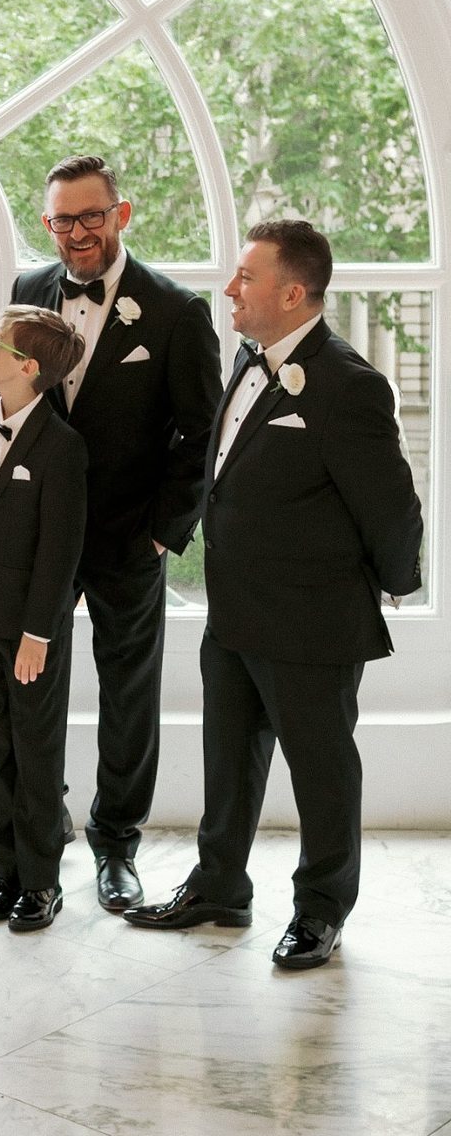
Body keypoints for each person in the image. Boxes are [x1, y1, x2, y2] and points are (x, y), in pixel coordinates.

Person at [125, 220, 423, 968]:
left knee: (322, 769)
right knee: (228, 758)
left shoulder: (348, 385)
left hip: (312, 619)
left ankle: (321, 909)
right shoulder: (249, 360)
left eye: (247, 278)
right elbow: (222, 469)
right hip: (232, 610)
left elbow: (392, 508)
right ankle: (220, 885)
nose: (231, 288)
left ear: (293, 292)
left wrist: (388, 588)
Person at [0, 155, 222, 913]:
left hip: (123, 536)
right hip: (30, 540)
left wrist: (165, 534)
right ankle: (29, 827)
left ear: (122, 214)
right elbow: (18, 410)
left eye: (91, 217)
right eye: (62, 220)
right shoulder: (28, 292)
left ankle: (116, 841)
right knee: (20, 680)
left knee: (126, 688)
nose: (77, 234)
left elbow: (199, 431)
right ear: (47, 223)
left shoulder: (173, 310)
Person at [0, 306, 88, 932]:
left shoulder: (62, 447)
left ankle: (41, 882)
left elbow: (60, 553)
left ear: (27, 369)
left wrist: (39, 634)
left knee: (37, 753)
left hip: (34, 630)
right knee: (0, 747)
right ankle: (5, 874)